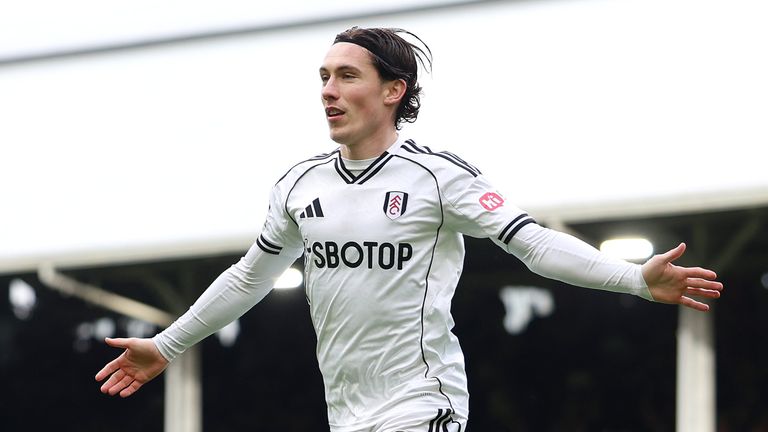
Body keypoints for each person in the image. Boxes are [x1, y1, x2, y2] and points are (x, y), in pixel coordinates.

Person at [95, 27, 723, 431]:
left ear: (394, 90)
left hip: (424, 402)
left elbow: (531, 243)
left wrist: (633, 279)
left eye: (347, 76)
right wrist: (167, 345)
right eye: (323, 77)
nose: (328, 91)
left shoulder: (437, 177)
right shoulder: (298, 185)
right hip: (346, 414)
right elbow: (248, 278)